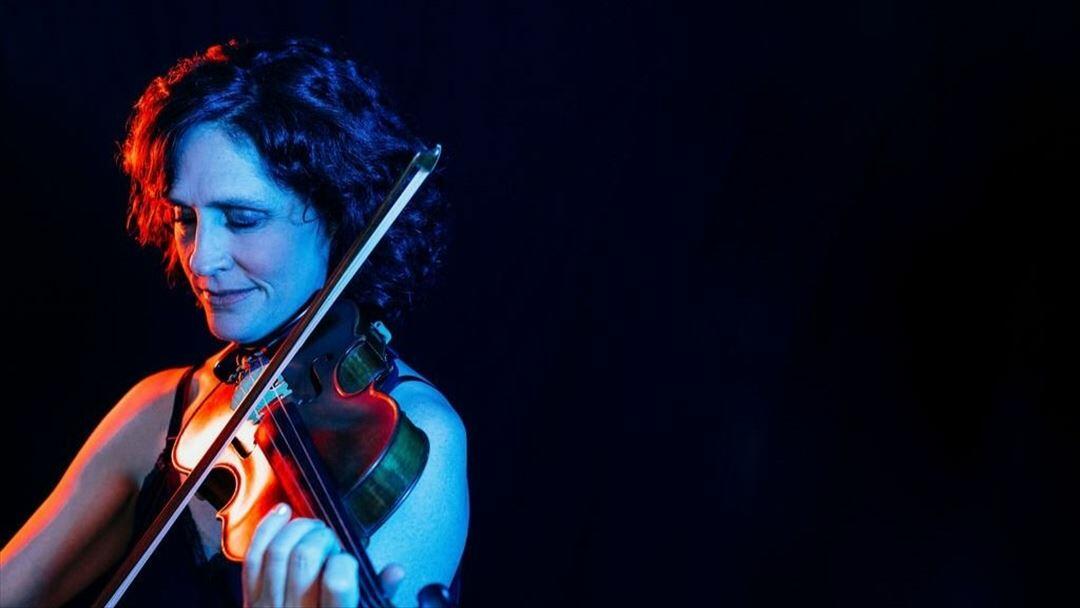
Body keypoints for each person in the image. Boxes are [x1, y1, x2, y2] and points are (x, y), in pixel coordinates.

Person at [0, 37, 468, 607]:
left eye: (242, 218)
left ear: (341, 215)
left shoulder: (419, 434)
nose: (200, 259)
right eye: (185, 217)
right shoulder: (160, 412)